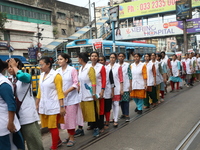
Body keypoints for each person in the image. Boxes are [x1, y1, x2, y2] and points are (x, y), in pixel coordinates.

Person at [7, 58, 44, 150]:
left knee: (35, 144)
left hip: (28, 118)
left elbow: (24, 77)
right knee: (19, 144)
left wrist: (15, 67)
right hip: (15, 118)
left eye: (11, 66)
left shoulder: (25, 76)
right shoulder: (8, 80)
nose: (9, 69)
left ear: (18, 65)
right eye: (8, 67)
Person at [36, 57, 65, 150]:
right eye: (39, 65)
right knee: (49, 126)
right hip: (44, 105)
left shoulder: (56, 75)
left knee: (53, 127)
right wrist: (37, 104)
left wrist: (62, 106)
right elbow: (40, 91)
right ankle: (58, 141)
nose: (40, 67)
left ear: (48, 64)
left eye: (42, 65)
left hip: (54, 105)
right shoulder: (41, 75)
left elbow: (60, 92)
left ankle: (54, 146)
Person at [56, 53, 83, 147]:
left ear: (66, 60)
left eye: (61, 59)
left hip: (72, 99)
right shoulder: (57, 71)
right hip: (61, 100)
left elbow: (76, 83)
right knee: (65, 119)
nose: (59, 61)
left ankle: (72, 138)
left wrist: (67, 91)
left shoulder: (72, 70)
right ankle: (69, 135)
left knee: (70, 119)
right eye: (58, 59)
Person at [0, 59, 24, 150]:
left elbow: (11, 105)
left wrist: (10, 122)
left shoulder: (3, 84)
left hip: (4, 124)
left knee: (7, 146)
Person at [76, 52, 99, 137]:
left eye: (78, 58)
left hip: (89, 95)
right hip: (81, 95)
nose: (78, 60)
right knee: (82, 113)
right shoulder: (81, 68)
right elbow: (80, 81)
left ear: (81, 59)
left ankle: (96, 128)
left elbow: (93, 82)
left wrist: (93, 93)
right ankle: (80, 129)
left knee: (92, 112)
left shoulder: (90, 68)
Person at [89, 52, 106, 135]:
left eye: (96, 56)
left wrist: (102, 90)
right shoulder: (87, 67)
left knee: (100, 109)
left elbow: (103, 79)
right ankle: (93, 125)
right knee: (92, 109)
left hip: (99, 91)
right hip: (90, 91)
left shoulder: (101, 67)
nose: (94, 57)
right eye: (92, 56)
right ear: (90, 58)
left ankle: (101, 126)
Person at [107, 53, 123, 127]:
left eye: (113, 57)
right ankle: (112, 117)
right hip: (108, 88)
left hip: (116, 88)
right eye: (111, 57)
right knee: (110, 104)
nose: (112, 59)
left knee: (116, 104)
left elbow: (121, 79)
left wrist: (121, 89)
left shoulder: (118, 67)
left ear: (115, 59)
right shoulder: (106, 67)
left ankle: (116, 119)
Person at [99, 56, 114, 128]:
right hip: (99, 92)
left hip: (107, 91)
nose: (100, 61)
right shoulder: (96, 69)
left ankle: (107, 121)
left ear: (105, 61)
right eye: (99, 60)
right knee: (101, 108)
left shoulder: (108, 69)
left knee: (107, 108)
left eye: (102, 60)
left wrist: (112, 91)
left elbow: (112, 81)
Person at [118, 52, 131, 122]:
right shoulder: (116, 65)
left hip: (126, 85)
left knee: (126, 101)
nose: (121, 58)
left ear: (124, 57)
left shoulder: (127, 65)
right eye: (119, 56)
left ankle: (127, 115)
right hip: (118, 86)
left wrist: (130, 86)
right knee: (121, 101)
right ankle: (123, 113)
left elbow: (130, 75)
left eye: (122, 56)